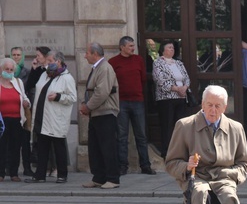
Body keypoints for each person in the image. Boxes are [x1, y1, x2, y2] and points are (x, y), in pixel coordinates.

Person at [166, 85, 247, 204]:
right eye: (209, 105)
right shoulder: (185, 125)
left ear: (225, 106)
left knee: (229, 195)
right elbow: (171, 162)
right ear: (202, 104)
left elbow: (244, 164)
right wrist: (186, 166)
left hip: (224, 176)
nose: (213, 110)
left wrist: (232, 175)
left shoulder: (236, 128)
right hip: (197, 177)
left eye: (218, 106)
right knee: (200, 193)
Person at [23, 51, 76, 184]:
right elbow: (33, 85)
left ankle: (62, 174)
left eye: (49, 61)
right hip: (42, 116)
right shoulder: (45, 75)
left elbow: (72, 97)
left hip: (56, 118)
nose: (47, 64)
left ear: (58, 62)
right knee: (42, 147)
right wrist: (35, 69)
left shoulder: (67, 78)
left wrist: (58, 97)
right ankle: (40, 175)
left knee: (59, 147)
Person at [109, 36, 156, 175]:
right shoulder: (113, 62)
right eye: (130, 46)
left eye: (133, 46)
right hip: (121, 102)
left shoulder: (138, 60)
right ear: (122, 47)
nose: (133, 48)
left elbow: (142, 79)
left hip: (137, 101)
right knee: (122, 136)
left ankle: (145, 166)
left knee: (141, 135)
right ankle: (122, 166)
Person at [79, 42, 121, 189]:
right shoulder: (98, 68)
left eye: (87, 53)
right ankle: (99, 177)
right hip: (97, 113)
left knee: (107, 147)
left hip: (105, 113)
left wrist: (88, 107)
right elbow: (92, 90)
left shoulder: (105, 68)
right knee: (95, 147)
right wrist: (86, 105)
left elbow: (101, 92)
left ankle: (113, 179)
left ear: (95, 54)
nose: (85, 56)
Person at [152, 40, 190, 158]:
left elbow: (187, 78)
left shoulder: (178, 63)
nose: (172, 50)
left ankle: (181, 151)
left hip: (181, 98)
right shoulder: (158, 63)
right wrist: (177, 89)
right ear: (163, 50)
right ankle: (167, 152)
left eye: (173, 48)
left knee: (181, 125)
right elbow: (160, 80)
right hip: (166, 99)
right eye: (169, 48)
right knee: (167, 126)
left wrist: (184, 87)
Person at [0, 58, 31, 182]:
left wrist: (26, 102)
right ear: (1, 69)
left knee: (15, 147)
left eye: (11, 69)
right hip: (1, 121)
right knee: (1, 147)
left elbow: (25, 97)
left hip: (17, 120)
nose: (9, 71)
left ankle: (14, 173)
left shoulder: (18, 82)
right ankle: (1, 173)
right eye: (6, 69)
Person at [10, 47, 32, 177]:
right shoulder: (6, 73)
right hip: (10, 111)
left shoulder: (27, 72)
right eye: (13, 55)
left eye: (18, 55)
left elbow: (31, 89)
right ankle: (9, 168)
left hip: (24, 111)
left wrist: (29, 104)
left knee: (25, 141)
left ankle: (27, 167)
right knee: (10, 142)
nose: (16, 57)